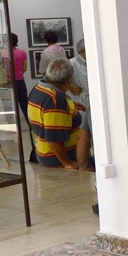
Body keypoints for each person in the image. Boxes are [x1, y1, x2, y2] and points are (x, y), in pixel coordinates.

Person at [28, 57, 83, 169]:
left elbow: (45, 111)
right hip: (58, 161)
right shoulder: (55, 100)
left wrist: (70, 105)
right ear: (69, 79)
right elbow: (53, 138)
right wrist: (68, 163)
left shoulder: (38, 89)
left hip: (44, 153)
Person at [67, 36, 93, 171]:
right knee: (84, 137)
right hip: (82, 106)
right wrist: (71, 86)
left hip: (94, 105)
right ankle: (84, 164)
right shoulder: (71, 64)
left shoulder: (96, 61)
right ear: (82, 52)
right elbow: (57, 80)